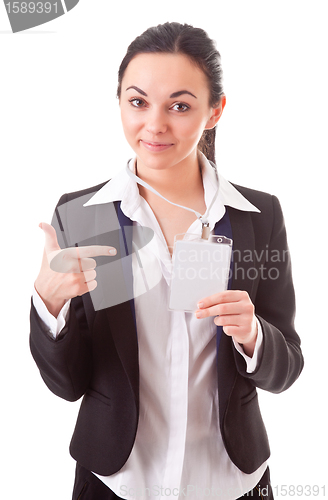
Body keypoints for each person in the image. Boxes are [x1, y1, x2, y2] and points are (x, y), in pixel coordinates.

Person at [30, 22, 304, 500]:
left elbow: (287, 369)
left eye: (180, 106)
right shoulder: (85, 218)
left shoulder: (257, 217)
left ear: (215, 111)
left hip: (232, 482)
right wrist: (49, 309)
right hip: (116, 482)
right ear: (119, 102)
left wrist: (254, 334)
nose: (154, 124)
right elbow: (67, 385)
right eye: (138, 102)